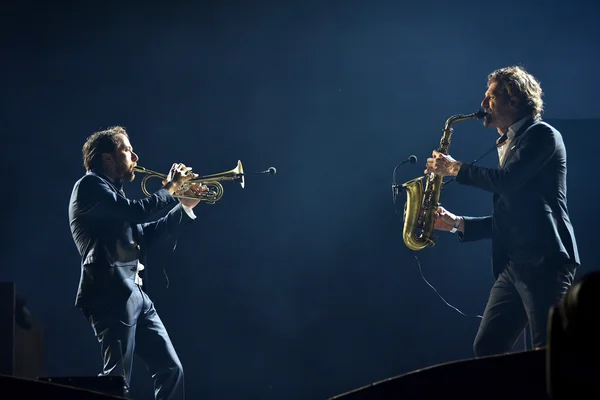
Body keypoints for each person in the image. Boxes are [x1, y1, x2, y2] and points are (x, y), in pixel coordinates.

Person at [424, 66, 580, 357]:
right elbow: (514, 218)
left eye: (491, 96)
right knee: (487, 347)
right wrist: (457, 223)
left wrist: (454, 168)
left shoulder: (542, 134)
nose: (483, 104)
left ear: (515, 101)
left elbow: (507, 182)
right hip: (515, 263)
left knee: (547, 352)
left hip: (544, 261)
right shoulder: (511, 142)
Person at [68, 126, 208, 399]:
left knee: (171, 370)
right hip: (109, 292)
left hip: (135, 294)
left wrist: (185, 205)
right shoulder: (89, 186)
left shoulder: (115, 196)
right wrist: (169, 189)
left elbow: (147, 233)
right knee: (116, 379)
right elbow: (137, 211)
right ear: (107, 158)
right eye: (127, 150)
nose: (135, 155)